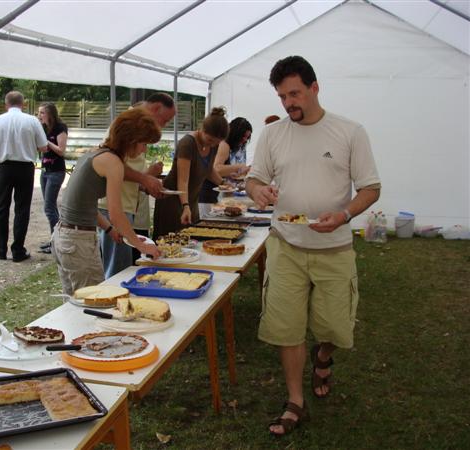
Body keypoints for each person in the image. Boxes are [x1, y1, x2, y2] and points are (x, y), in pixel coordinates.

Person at [245, 56, 381, 436]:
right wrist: (258, 191)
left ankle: (323, 357)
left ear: (314, 88)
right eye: (282, 96)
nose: (288, 103)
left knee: (335, 328)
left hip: (333, 245)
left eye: (295, 94)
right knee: (286, 327)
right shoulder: (273, 134)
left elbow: (370, 188)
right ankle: (295, 401)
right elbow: (254, 179)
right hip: (286, 244)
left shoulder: (349, 132)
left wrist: (344, 214)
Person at [51, 108, 162, 295]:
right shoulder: (113, 163)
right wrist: (140, 245)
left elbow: (86, 205)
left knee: (75, 302)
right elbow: (116, 213)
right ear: (131, 140)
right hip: (78, 241)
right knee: (94, 299)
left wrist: (110, 229)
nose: (145, 149)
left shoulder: (98, 154)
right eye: (143, 143)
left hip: (65, 236)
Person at [98, 93, 175, 278]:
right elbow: (114, 167)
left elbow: (124, 172)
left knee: (123, 268)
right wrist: (145, 178)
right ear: (156, 108)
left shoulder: (135, 126)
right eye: (165, 120)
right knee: (117, 272)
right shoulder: (126, 125)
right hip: (115, 208)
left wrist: (145, 185)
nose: (164, 125)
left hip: (124, 207)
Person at [153, 107, 228, 240]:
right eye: (210, 140)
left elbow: (208, 169)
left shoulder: (213, 145)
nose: (212, 145)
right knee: (171, 241)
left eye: (216, 142)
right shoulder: (187, 144)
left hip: (191, 199)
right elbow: (182, 180)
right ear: (202, 130)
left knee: (192, 239)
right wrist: (185, 206)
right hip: (173, 200)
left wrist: (224, 184)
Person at [0, 91, 48, 262]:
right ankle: (18, 250)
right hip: (25, 167)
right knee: (22, 209)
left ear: (6, 104)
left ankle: (0, 249)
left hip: (4, 166)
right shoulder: (32, 121)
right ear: (23, 104)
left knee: (1, 207)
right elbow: (43, 146)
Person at [199, 116, 253, 206]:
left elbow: (223, 170)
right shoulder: (224, 145)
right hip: (209, 195)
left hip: (217, 194)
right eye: (243, 136)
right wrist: (239, 167)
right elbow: (217, 169)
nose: (245, 140)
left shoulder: (237, 147)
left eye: (247, 137)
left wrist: (232, 174)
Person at [37, 102, 68, 254]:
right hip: (45, 170)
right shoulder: (42, 128)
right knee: (50, 207)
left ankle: (56, 242)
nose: (39, 116)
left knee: (49, 208)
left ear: (50, 114)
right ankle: (54, 239)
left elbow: (61, 150)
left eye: (42, 113)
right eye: (39, 113)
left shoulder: (60, 128)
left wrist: (47, 141)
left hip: (56, 172)